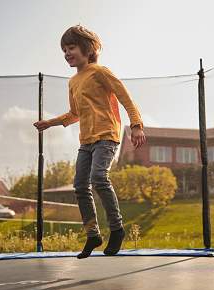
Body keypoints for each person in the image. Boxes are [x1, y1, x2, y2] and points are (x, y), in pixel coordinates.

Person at [34, 25, 145, 259]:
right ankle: (92, 234)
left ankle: (117, 229)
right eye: (64, 49)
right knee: (79, 185)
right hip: (86, 140)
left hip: (106, 135)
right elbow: (74, 113)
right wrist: (50, 122)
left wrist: (136, 125)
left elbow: (125, 97)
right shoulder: (73, 82)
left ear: (88, 48)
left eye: (71, 47)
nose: (67, 53)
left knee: (98, 178)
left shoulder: (100, 72)